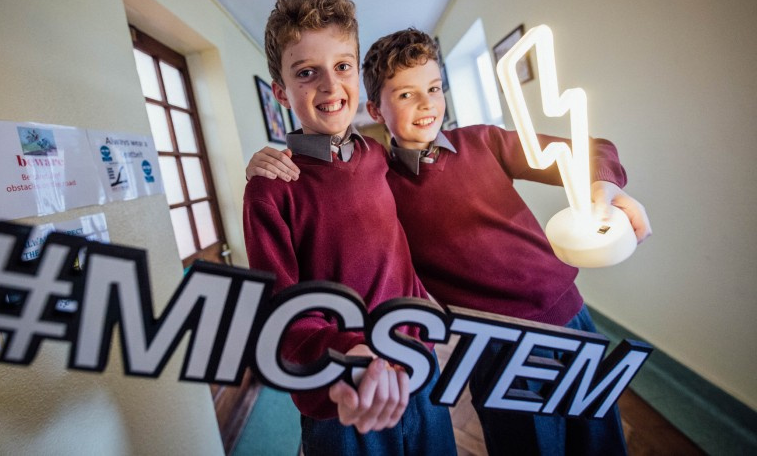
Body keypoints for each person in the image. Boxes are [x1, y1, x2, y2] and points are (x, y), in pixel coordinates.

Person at [248, 28, 652, 455]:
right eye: (405, 95)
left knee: (602, 442)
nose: (426, 104)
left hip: (571, 320)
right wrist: (266, 159)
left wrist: (604, 187)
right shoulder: (381, 177)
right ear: (376, 109)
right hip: (495, 349)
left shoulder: (485, 141)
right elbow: (335, 183)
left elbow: (593, 150)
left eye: (435, 88)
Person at [243, 0, 456, 455]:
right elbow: (282, 310)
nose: (329, 85)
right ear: (280, 91)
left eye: (342, 66)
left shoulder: (380, 157)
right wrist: (347, 356)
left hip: (417, 368)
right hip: (344, 390)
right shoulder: (271, 187)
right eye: (305, 73)